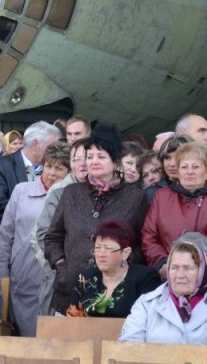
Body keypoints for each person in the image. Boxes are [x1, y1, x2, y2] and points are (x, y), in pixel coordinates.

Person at [44, 124, 148, 314]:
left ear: (115, 161)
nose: (93, 161)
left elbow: (141, 244)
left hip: (116, 293)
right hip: (70, 289)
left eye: (101, 156)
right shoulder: (71, 193)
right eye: (89, 156)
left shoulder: (135, 198)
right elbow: (52, 238)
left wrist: (121, 267)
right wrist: (61, 267)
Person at [120, 236, 207, 364]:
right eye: (174, 267)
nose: (180, 275)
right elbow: (128, 350)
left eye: (188, 268)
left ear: (202, 270)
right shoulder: (147, 303)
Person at [0, 142, 69, 336]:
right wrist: (2, 274)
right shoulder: (21, 191)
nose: (51, 173)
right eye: (48, 166)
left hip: (56, 279)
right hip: (22, 277)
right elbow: (5, 236)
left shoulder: (71, 197)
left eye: (59, 168)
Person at [141, 142, 207, 276]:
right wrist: (164, 263)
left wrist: (188, 266)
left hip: (204, 273)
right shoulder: (161, 196)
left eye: (195, 166)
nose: (189, 172)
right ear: (178, 171)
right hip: (166, 271)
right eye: (184, 167)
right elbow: (149, 235)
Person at [68, 219, 158, 318]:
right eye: (98, 248)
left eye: (108, 248)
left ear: (125, 253)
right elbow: (72, 317)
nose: (100, 254)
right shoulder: (85, 279)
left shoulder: (146, 278)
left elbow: (149, 318)